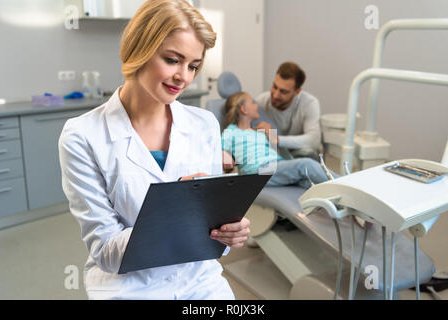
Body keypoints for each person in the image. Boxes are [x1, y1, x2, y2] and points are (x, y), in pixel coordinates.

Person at [58, 0, 249, 300]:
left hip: (198, 279)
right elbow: (106, 252)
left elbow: (211, 230)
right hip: (131, 285)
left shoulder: (204, 124)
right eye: (173, 60)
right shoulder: (82, 136)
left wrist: (228, 231)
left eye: (193, 66)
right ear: (140, 50)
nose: (183, 77)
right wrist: (175, 208)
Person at [221, 91, 331, 189]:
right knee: (305, 165)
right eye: (253, 103)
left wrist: (270, 133)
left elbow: (274, 151)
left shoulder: (258, 131)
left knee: (310, 184)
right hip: (257, 171)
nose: (256, 106)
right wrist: (225, 156)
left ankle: (341, 204)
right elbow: (220, 150)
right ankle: (345, 184)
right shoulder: (231, 131)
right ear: (244, 110)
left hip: (275, 165)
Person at [255, 62, 322, 160]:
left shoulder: (310, 103)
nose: (275, 95)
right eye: (275, 87)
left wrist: (277, 140)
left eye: (283, 91)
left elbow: (313, 140)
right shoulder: (261, 102)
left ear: (297, 92)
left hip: (301, 154)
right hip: (273, 154)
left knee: (309, 155)